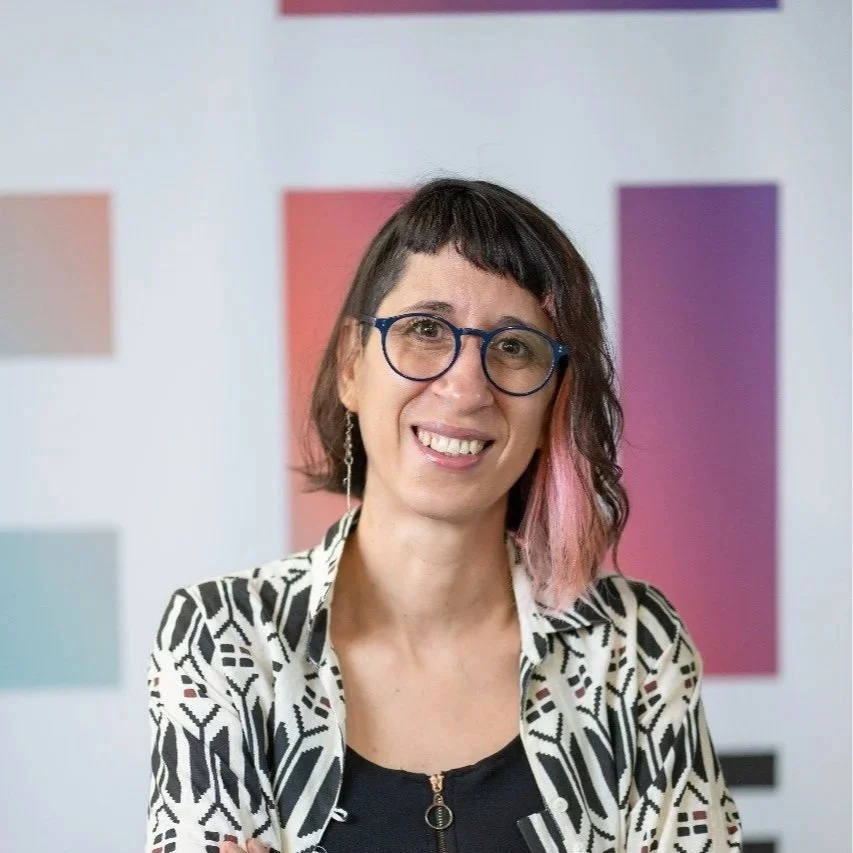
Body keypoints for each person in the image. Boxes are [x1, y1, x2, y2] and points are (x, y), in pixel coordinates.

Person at [145, 178, 743, 853]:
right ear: (351, 365)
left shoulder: (632, 646)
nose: (465, 387)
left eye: (514, 346)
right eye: (426, 330)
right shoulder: (225, 635)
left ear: (553, 402)